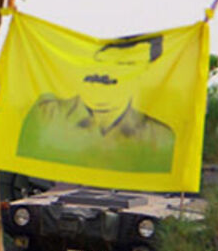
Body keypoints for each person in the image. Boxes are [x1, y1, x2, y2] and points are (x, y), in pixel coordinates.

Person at [15, 35, 175, 173]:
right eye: (103, 64)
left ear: (143, 76)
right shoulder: (48, 115)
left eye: (126, 68)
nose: (106, 76)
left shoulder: (160, 137)